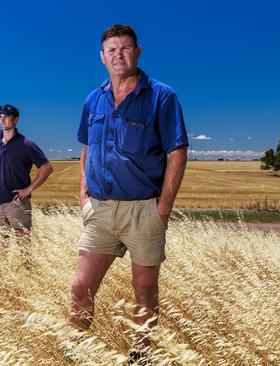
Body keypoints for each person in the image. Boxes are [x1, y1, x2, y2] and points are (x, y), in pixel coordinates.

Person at [69, 24, 188, 350]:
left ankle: (142, 354)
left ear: (137, 52)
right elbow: (88, 149)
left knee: (144, 290)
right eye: (112, 50)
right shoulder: (94, 100)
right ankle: (78, 351)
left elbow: (176, 152)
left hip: (143, 210)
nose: (118, 55)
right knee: (81, 286)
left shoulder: (162, 96)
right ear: (102, 57)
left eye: (125, 49)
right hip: (101, 209)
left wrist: (162, 209)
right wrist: (84, 195)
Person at [0, 104, 53, 252]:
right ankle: (5, 275)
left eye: (6, 116)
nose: (3, 120)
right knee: (1, 249)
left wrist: (29, 189)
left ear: (16, 119)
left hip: (17, 203)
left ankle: (27, 274)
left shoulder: (26, 144)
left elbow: (46, 167)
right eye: (0, 117)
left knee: (24, 248)